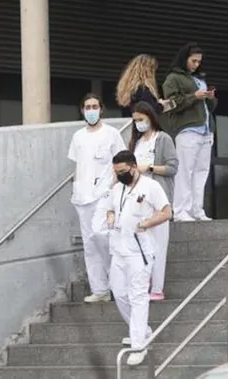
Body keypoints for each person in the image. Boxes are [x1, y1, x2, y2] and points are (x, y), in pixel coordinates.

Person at [93, 150, 172, 366]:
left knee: (137, 295)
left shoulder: (150, 187)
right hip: (118, 249)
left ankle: (139, 345)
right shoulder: (117, 188)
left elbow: (166, 212)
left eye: (123, 171)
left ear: (134, 167)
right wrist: (110, 217)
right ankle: (142, 331)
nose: (119, 175)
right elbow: (110, 209)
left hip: (140, 252)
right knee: (119, 293)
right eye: (116, 172)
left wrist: (145, 224)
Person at [67, 93, 126, 303]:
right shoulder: (78, 137)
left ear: (101, 109)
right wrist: (76, 186)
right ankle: (99, 289)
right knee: (89, 243)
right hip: (82, 196)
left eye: (94, 106)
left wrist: (116, 186)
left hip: (104, 194)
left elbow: (122, 161)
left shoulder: (111, 134)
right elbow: (77, 165)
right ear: (82, 111)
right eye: (87, 107)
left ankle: (117, 283)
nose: (91, 110)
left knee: (102, 235)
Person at [162, 43, 217, 222]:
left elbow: (211, 107)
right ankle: (180, 210)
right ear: (184, 58)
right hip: (188, 129)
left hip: (206, 129)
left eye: (199, 62)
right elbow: (172, 103)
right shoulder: (173, 78)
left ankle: (197, 209)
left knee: (201, 172)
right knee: (185, 171)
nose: (196, 65)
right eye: (193, 61)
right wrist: (195, 96)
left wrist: (210, 97)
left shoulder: (199, 79)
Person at [129, 101, 178, 301]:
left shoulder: (163, 139)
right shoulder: (136, 142)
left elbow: (172, 167)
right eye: (136, 121)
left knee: (159, 245)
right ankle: (143, 283)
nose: (139, 124)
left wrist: (149, 168)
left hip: (158, 199)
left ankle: (157, 288)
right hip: (138, 200)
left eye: (142, 119)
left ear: (150, 117)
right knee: (141, 245)